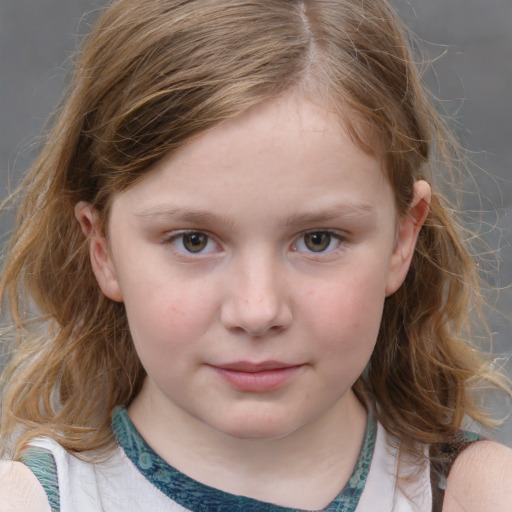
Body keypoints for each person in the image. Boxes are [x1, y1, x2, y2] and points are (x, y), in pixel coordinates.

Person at [0, 0, 511, 510]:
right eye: (193, 241)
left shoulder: (478, 496)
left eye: (318, 239)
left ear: (402, 240)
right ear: (103, 248)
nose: (257, 311)